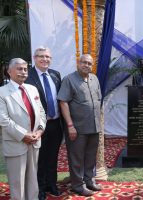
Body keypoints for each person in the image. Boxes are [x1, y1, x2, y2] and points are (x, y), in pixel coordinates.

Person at [0, 58, 46, 200]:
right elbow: (3, 120)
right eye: (19, 69)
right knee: (17, 183)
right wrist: (23, 135)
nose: (23, 72)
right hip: (16, 143)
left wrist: (39, 131)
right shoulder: (2, 92)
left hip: (34, 141)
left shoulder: (32, 89)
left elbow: (42, 113)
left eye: (25, 69)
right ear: (9, 71)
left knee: (33, 180)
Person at [57, 54, 102, 197]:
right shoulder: (69, 79)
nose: (86, 65)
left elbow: (98, 99)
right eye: (84, 62)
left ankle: (89, 180)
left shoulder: (94, 79)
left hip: (94, 126)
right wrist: (70, 125)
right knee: (76, 157)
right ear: (78, 63)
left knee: (90, 156)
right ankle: (77, 185)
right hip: (77, 128)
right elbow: (63, 102)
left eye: (89, 63)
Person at [25, 47, 63, 199]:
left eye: (47, 56)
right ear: (34, 58)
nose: (44, 59)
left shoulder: (55, 75)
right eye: (41, 56)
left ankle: (52, 185)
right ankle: (40, 188)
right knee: (39, 159)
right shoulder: (28, 76)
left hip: (56, 124)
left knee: (53, 156)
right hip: (37, 125)